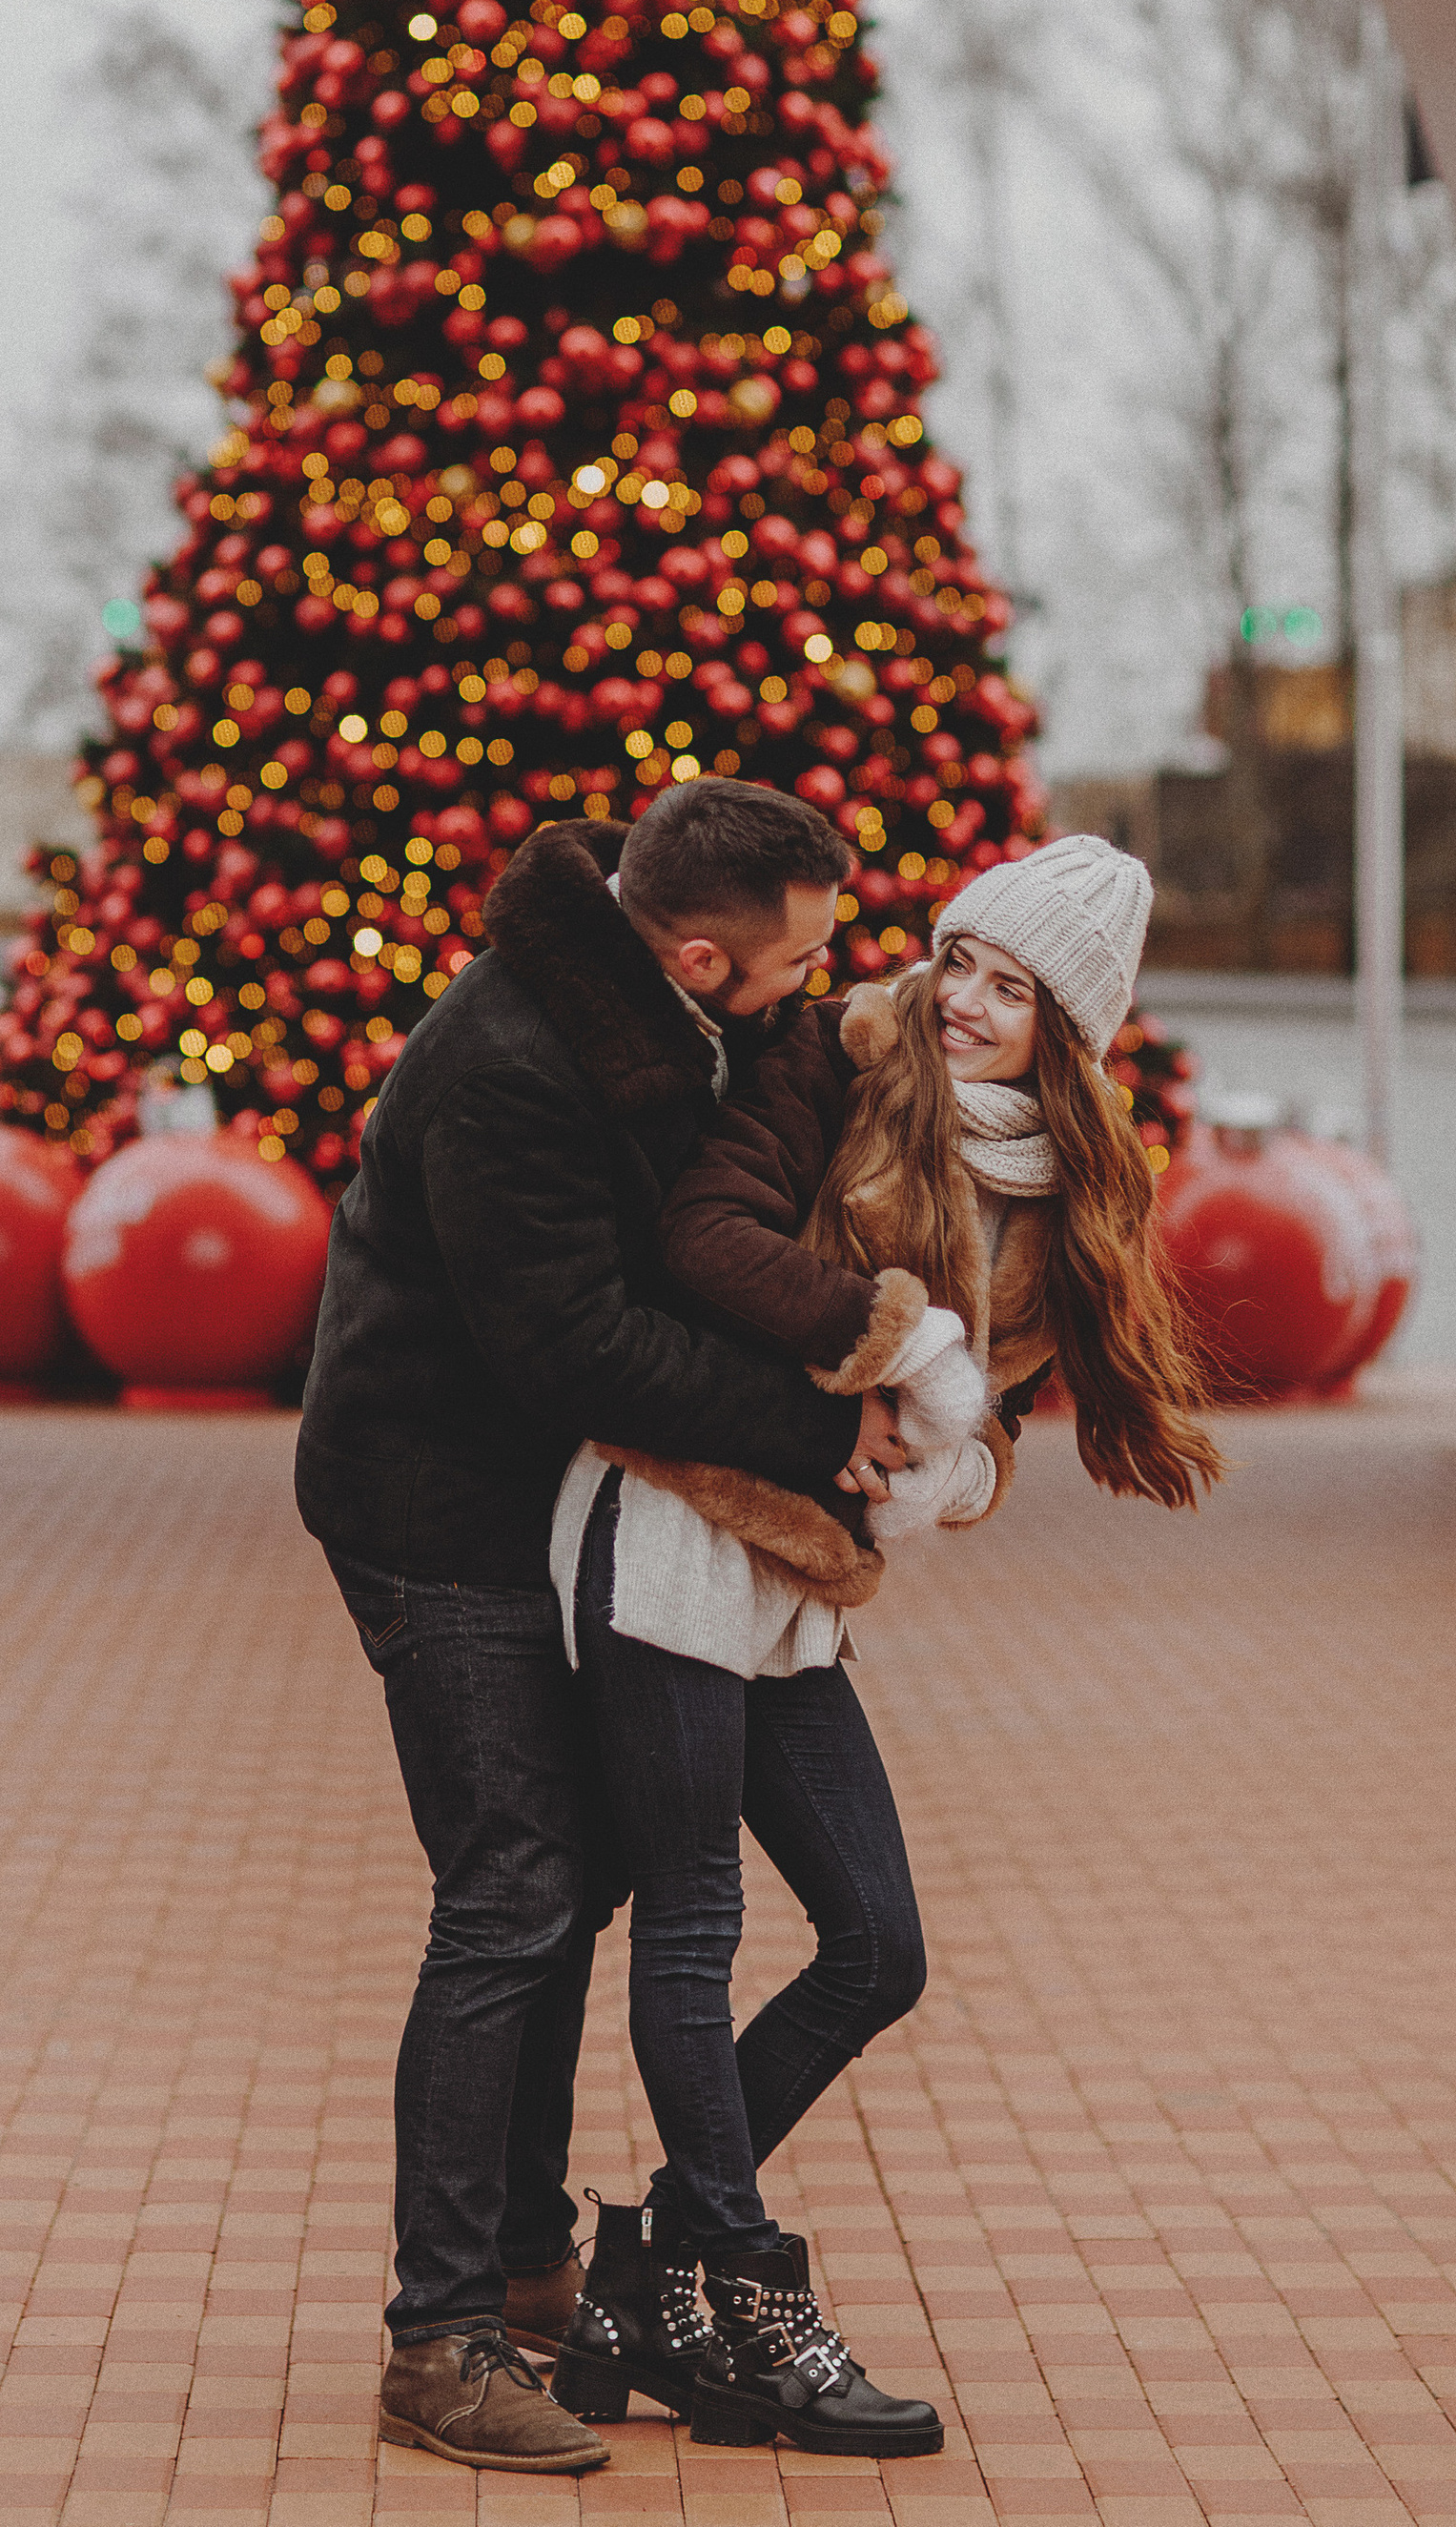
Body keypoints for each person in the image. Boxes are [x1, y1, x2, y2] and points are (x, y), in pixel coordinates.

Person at [548, 833, 1221, 2456]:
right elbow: (699, 1241)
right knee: (694, 1922)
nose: (968, 1001)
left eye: (1016, 987)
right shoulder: (832, 1054)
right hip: (666, 1525)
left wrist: (955, 1456)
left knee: (877, 1948)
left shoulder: (1067, 1194)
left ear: (1075, 1030)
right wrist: (895, 1348)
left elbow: (1001, 1422)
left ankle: (647, 2271)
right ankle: (752, 2296)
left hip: (797, 1583)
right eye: (961, 958)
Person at [296, 777, 905, 2475]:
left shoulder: (657, 1011)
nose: (811, 990)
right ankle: (440, 2337)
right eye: (796, 965)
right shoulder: (508, 1067)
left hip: (549, 1499)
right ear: (701, 957)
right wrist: (815, 1431)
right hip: (437, 1509)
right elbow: (574, 1348)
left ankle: (526, 2252)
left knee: (577, 1884)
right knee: (513, 1891)